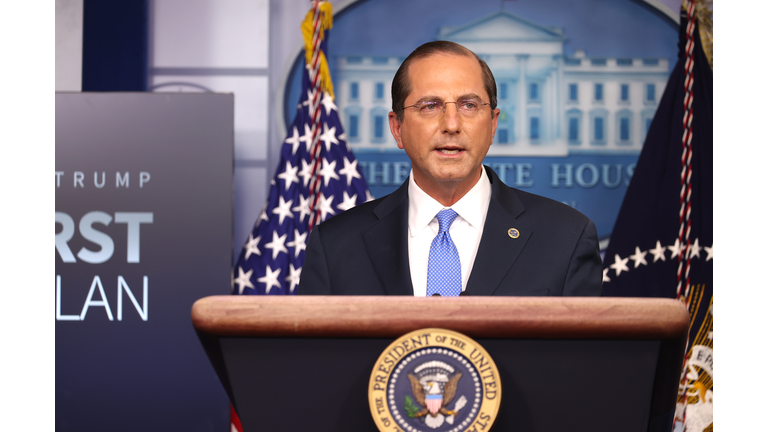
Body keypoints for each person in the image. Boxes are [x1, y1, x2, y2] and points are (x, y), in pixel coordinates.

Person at [298, 41, 603, 296]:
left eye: (469, 105)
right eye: (430, 106)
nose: (452, 125)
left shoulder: (566, 239)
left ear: (493, 124)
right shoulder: (335, 246)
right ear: (397, 128)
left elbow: (584, 365)